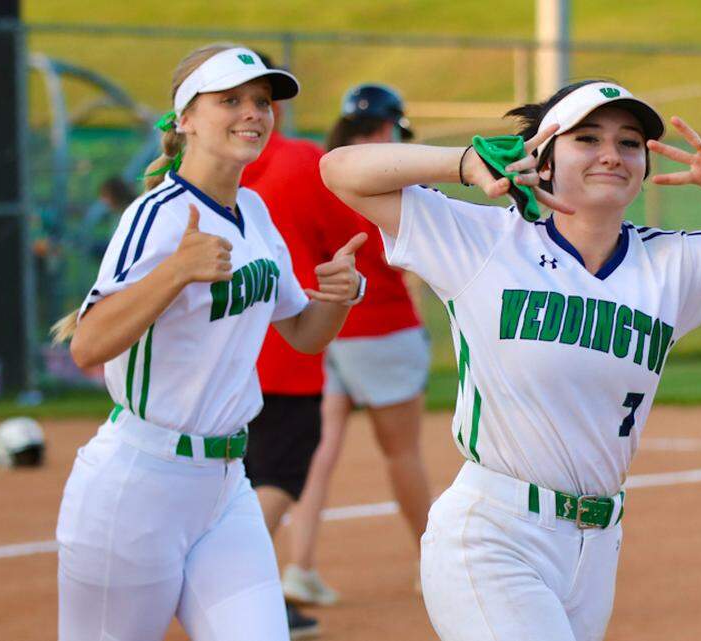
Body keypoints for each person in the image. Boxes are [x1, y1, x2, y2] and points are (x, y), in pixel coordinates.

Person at [320, 79, 701, 641]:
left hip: (597, 545)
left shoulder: (671, 264)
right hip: (492, 534)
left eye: (629, 143)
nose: (611, 154)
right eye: (586, 137)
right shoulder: (484, 239)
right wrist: (462, 162)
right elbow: (340, 169)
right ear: (544, 160)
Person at [50, 43, 365, 641]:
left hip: (225, 489)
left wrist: (338, 299)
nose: (253, 113)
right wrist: (176, 270)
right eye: (231, 100)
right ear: (185, 119)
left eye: (262, 101)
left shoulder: (254, 209)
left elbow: (302, 335)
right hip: (138, 486)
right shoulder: (158, 215)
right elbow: (88, 346)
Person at [280, 83, 432, 607]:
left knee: (320, 453)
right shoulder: (381, 177)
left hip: (328, 325)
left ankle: (299, 565)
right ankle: (431, 562)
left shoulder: (323, 171)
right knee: (403, 453)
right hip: (384, 325)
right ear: (387, 127)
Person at [237, 51, 333, 636]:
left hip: (228, 358)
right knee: (278, 475)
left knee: (243, 474)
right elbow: (346, 229)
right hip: (286, 350)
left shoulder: (207, 175)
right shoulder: (300, 161)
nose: (253, 111)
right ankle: (238, 588)